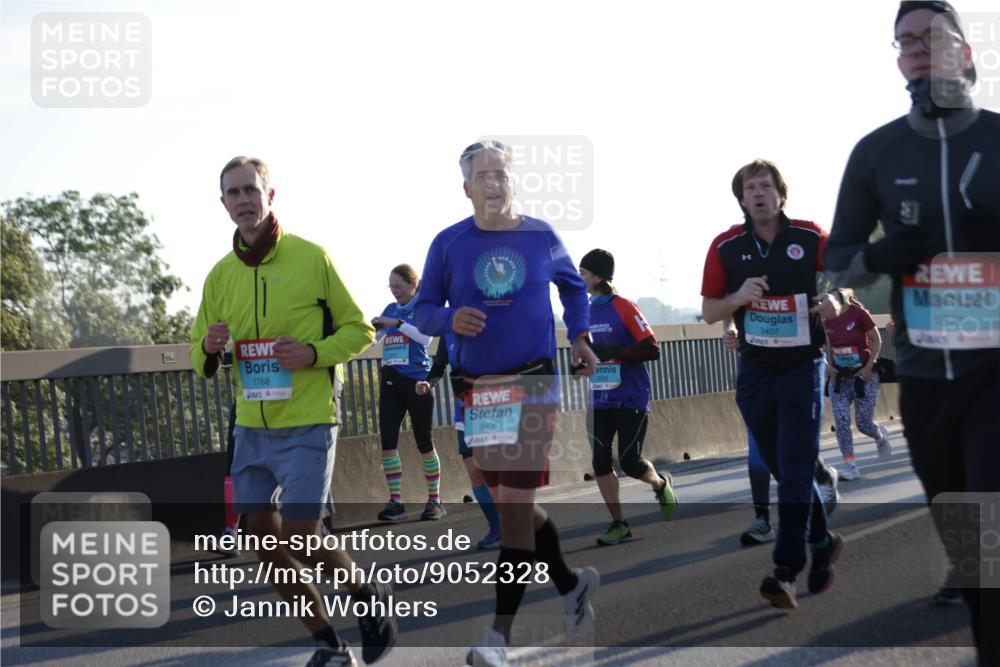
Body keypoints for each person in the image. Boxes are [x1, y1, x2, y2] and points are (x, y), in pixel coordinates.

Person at [825, 3, 998, 662]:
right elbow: (835, 261)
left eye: (932, 38)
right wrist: (879, 257)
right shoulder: (875, 152)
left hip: (996, 374)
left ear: (964, 49)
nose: (918, 50)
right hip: (926, 381)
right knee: (970, 545)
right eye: (906, 43)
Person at [191, 156, 395, 667]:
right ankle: (329, 643)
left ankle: (366, 598)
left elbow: (359, 329)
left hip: (308, 419)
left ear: (270, 195)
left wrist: (312, 353)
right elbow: (200, 352)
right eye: (232, 193)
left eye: (250, 190)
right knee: (264, 544)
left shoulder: (311, 258)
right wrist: (211, 347)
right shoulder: (219, 276)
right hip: (251, 426)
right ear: (223, 204)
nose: (242, 200)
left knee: (302, 537)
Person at [414, 140, 600, 666]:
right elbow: (423, 308)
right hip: (478, 388)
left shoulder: (540, 235)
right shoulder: (448, 244)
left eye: (501, 174)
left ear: (513, 181)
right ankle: (571, 587)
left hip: (534, 381)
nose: (493, 183)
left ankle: (497, 639)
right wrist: (449, 319)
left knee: (513, 510)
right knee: (513, 504)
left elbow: (574, 289)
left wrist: (581, 335)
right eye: (483, 176)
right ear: (467, 187)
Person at [701, 159, 845, 609]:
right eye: (751, 188)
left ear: (781, 194)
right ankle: (822, 542)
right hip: (756, 370)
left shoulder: (807, 235)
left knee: (796, 467)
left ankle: (785, 570)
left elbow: (846, 277)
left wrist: (837, 300)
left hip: (803, 366)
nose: (759, 193)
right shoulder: (725, 246)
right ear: (741, 199)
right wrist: (737, 299)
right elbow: (709, 311)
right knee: (783, 466)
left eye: (767, 186)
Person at [577, 248, 678, 546]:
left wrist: (616, 352)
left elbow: (653, 349)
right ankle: (618, 523)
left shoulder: (624, 307)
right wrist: (581, 365)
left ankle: (659, 483)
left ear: (597, 276)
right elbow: (586, 352)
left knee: (630, 462)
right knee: (599, 461)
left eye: (583, 272)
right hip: (599, 399)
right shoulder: (582, 311)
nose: (580, 278)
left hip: (630, 396)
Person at [722, 321, 840, 547]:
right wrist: (730, 327)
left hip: (796, 368)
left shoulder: (794, 285)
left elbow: (825, 302)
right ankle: (763, 520)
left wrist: (835, 301)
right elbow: (724, 305)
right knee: (759, 448)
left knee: (793, 446)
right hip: (758, 370)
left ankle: (822, 476)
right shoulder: (743, 285)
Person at [371, 264, 445, 522]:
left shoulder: (421, 308)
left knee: (424, 443)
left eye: (398, 287)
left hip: (417, 382)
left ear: (413, 286)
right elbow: (374, 339)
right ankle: (396, 502)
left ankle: (435, 500)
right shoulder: (389, 310)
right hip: (392, 381)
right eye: (391, 288)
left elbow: (425, 338)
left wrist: (398, 323)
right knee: (388, 442)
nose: (394, 292)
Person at [418, 333, 502, 549]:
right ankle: (497, 528)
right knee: (474, 470)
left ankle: (516, 525)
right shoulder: (448, 329)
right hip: (464, 408)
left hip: (492, 403)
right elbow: (439, 367)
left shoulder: (485, 319)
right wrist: (428, 384)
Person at [822, 288, 891, 480]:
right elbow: (815, 344)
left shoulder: (859, 314)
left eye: (833, 302)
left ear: (843, 300)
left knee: (863, 424)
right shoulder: (825, 318)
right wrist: (826, 366)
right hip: (839, 379)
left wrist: (869, 367)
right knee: (842, 422)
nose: (829, 306)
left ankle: (879, 435)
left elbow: (876, 340)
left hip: (863, 376)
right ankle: (850, 465)